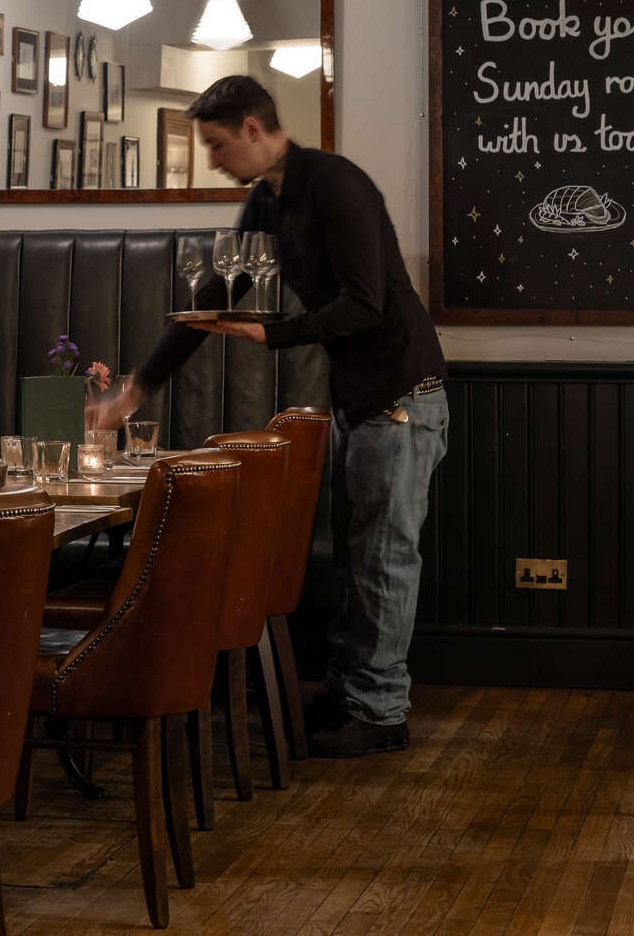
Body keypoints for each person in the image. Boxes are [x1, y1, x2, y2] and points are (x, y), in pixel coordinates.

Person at [92, 74, 449, 757]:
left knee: (384, 558)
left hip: (403, 392)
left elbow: (367, 303)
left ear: (253, 129)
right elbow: (216, 296)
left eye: (217, 144)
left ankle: (380, 712)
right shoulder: (266, 200)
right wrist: (136, 389)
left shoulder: (336, 184)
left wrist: (276, 332)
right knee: (361, 557)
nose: (213, 159)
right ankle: (350, 696)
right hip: (361, 398)